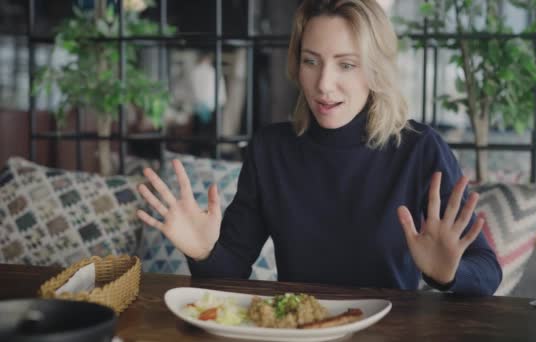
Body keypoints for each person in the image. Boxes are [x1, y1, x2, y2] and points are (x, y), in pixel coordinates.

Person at [136, 0, 502, 296]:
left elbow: (488, 271)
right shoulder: (271, 149)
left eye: (346, 65)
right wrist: (203, 253)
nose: (324, 84)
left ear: (375, 70)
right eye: (311, 61)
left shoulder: (421, 149)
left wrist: (448, 274)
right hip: (297, 331)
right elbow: (229, 274)